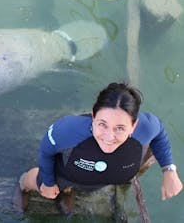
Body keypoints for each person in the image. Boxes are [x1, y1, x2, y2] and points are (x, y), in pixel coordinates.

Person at [15, 82, 183, 213]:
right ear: (93, 117)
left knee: (70, 187)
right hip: (65, 172)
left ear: (134, 126)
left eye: (120, 128)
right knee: (40, 182)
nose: (109, 137)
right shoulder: (68, 130)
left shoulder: (145, 128)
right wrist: (48, 182)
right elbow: (46, 149)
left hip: (100, 179)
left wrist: (169, 170)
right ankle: (23, 184)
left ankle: (66, 192)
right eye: (102, 124)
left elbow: (160, 132)